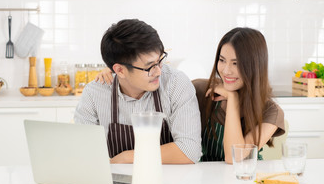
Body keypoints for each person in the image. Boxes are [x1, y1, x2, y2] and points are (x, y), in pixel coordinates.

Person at [74, 19, 202, 164]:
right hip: (115, 182)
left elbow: (190, 151)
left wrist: (126, 157)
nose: (159, 71)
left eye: (160, 60)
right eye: (149, 67)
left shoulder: (175, 83)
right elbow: (85, 154)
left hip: (170, 181)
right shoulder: (94, 94)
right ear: (120, 70)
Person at [192, 27, 285, 163]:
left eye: (236, 63)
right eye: (222, 60)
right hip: (205, 178)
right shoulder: (201, 91)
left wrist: (233, 99)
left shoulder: (271, 111)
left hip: (246, 179)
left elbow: (234, 157)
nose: (226, 70)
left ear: (255, 66)